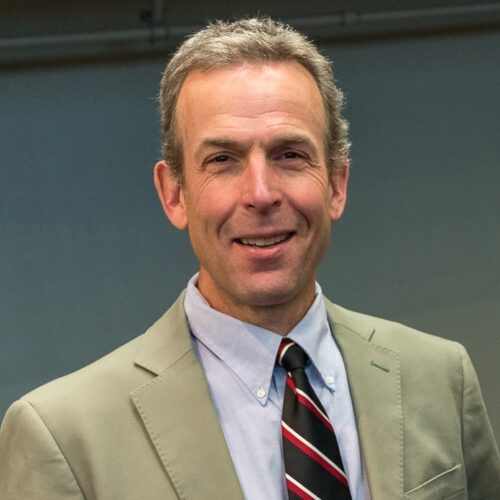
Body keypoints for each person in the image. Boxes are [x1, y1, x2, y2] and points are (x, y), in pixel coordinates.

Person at [0, 17, 498, 500]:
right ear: (174, 194)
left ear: (338, 185)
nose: (260, 194)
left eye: (289, 155)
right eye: (222, 160)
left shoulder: (440, 378)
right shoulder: (64, 438)